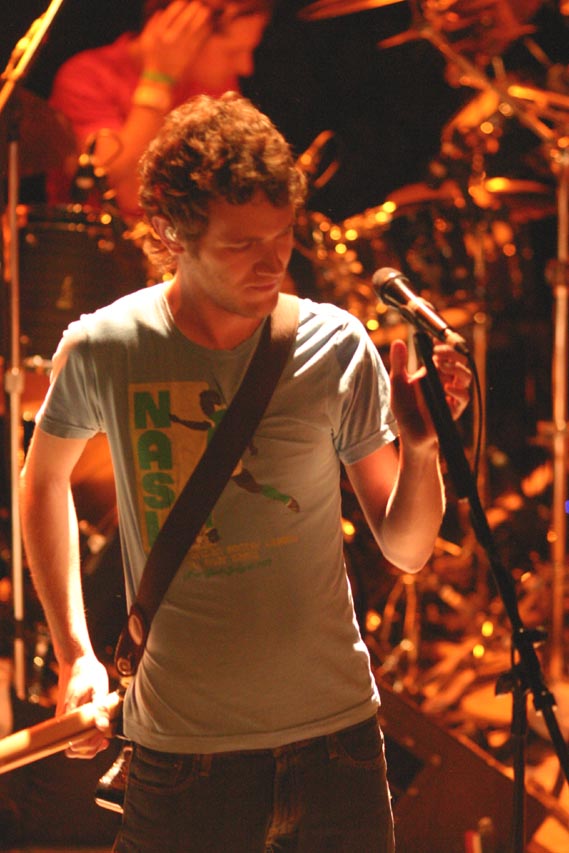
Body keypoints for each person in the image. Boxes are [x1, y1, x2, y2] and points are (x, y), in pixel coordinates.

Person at [20, 92, 471, 852]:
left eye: (282, 236)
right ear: (172, 231)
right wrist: (74, 653)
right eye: (241, 245)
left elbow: (408, 549)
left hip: (338, 744)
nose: (272, 263)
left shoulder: (335, 343)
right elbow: (42, 481)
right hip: (183, 756)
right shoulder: (107, 346)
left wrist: (424, 450)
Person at [48, 0, 272, 217]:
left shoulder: (216, 86)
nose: (246, 67)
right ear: (183, 34)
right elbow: (126, 195)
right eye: (233, 52)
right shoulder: (85, 78)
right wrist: (158, 81)